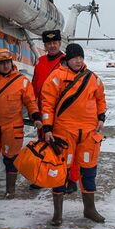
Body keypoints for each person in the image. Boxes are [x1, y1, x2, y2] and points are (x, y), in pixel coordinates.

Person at [40, 43, 107, 226]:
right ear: (67, 59)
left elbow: (101, 99)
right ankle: (58, 214)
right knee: (60, 172)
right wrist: (47, 128)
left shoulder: (93, 78)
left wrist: (101, 117)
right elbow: (47, 104)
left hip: (88, 133)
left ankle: (89, 209)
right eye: (74, 57)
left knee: (89, 170)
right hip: (64, 133)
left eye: (80, 57)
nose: (78, 61)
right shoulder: (56, 77)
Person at [0, 49, 43, 199]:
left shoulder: (22, 81)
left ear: (12, 63)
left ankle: (10, 190)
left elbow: (31, 102)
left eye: (8, 62)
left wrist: (36, 117)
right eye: (2, 63)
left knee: (11, 158)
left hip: (12, 127)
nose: (5, 66)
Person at [29, 29, 79, 193]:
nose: (52, 46)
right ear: (45, 45)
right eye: (48, 43)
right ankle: (43, 176)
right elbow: (35, 87)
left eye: (55, 43)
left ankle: (69, 179)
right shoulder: (40, 62)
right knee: (43, 145)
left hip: (62, 114)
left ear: (59, 43)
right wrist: (34, 111)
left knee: (65, 148)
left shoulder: (67, 62)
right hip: (44, 113)